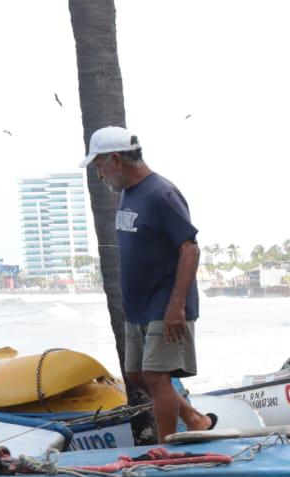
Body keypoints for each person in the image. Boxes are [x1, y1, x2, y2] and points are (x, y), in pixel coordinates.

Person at [80, 126, 214, 442]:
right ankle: (194, 418)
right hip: (137, 308)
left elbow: (189, 249)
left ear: (116, 159)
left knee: (156, 376)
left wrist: (176, 307)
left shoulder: (161, 194)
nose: (99, 174)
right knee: (137, 374)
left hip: (165, 304)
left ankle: (166, 451)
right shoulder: (128, 194)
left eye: (99, 165)